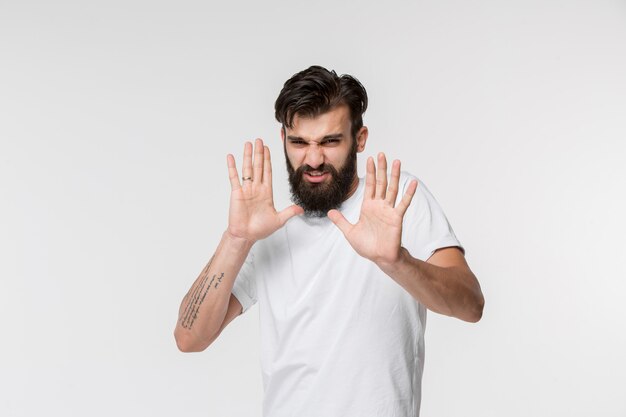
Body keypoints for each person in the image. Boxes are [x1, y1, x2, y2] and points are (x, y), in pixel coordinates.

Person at [174, 65, 484, 417]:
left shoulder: (394, 201)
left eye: (330, 141)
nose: (314, 159)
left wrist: (397, 261)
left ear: (360, 138)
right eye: (299, 142)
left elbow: (471, 305)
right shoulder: (267, 227)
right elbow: (190, 338)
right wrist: (237, 238)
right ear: (283, 141)